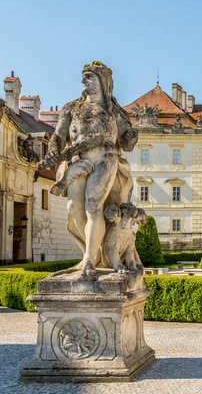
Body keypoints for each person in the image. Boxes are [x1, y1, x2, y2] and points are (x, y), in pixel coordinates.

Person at [42, 61, 138, 276]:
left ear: (103, 81)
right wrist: (53, 151)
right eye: (84, 76)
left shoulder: (114, 112)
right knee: (74, 208)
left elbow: (128, 144)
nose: (84, 80)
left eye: (90, 76)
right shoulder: (71, 108)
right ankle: (92, 253)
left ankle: (89, 261)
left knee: (94, 207)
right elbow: (59, 135)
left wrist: (132, 134)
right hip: (78, 160)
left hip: (105, 159)